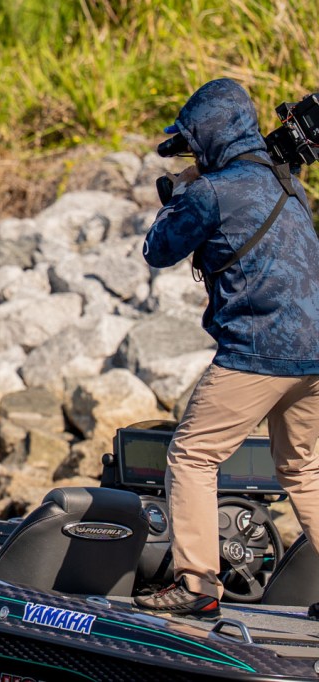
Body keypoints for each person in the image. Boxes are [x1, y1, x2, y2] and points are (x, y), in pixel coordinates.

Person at [134, 78, 319, 619]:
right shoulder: (290, 186)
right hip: (315, 355)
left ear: (209, 139)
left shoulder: (211, 192)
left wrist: (179, 193)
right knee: (304, 470)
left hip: (258, 352)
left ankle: (197, 585)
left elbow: (158, 250)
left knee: (193, 455)